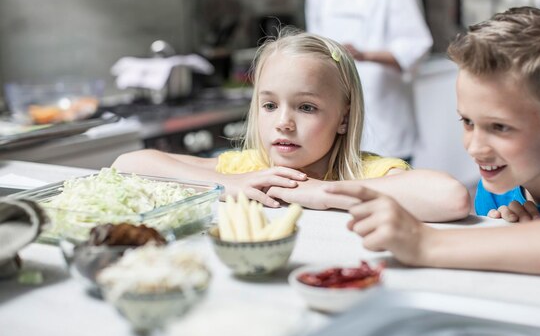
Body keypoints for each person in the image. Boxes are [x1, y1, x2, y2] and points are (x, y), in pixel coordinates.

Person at [328, 7, 540, 277]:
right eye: (468, 122)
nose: (474, 148)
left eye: (500, 127)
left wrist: (427, 243)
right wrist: (519, 240)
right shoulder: (498, 186)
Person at [112, 29, 469, 222]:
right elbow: (128, 165)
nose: (283, 122)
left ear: (343, 117)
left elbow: (450, 198)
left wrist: (318, 193)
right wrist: (227, 183)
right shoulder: (250, 170)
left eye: (306, 107)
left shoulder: (365, 173)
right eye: (269, 105)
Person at [305, 0, 432, 163]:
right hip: (333, 127)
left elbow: (415, 46)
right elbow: (314, 48)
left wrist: (365, 55)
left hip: (386, 124)